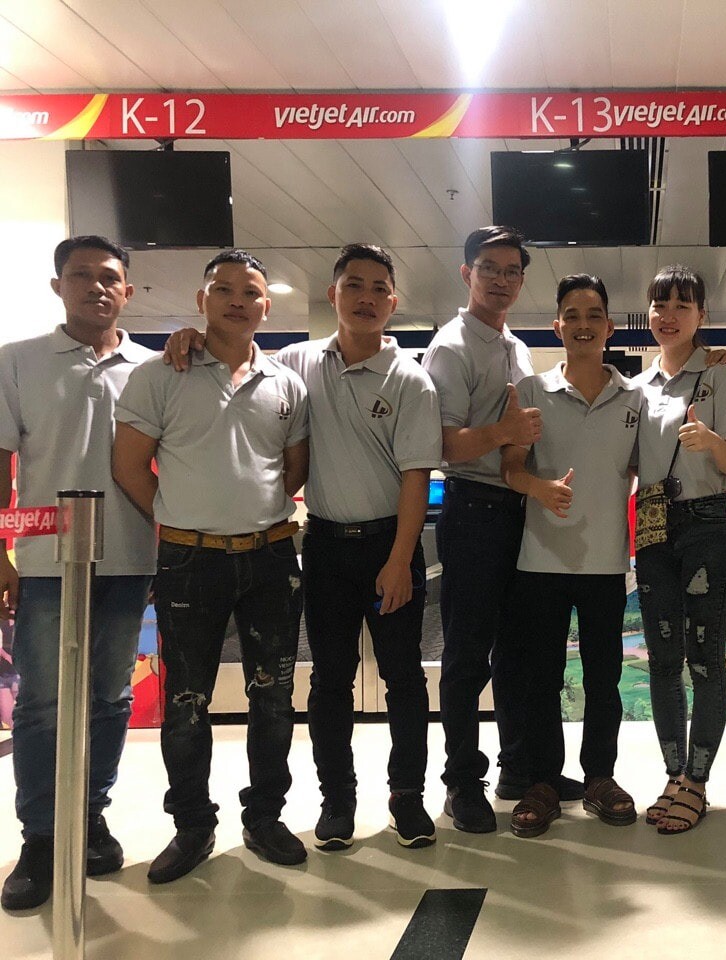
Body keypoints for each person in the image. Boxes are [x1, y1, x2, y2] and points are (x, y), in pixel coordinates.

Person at [161, 243, 442, 852]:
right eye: (353, 285)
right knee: (329, 681)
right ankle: (337, 801)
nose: (366, 297)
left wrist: (400, 559)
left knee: (404, 679)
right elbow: (236, 349)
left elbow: (417, 475)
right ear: (333, 295)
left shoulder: (411, 379)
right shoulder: (297, 362)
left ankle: (407, 797)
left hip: (390, 545)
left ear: (393, 302)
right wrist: (191, 338)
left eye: (379, 288)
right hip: (325, 548)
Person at [113, 250, 310, 883]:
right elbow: (128, 465)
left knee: (272, 697)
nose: (236, 301)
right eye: (223, 290)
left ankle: (265, 817)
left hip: (271, 556)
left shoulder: (287, 384)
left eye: (249, 292)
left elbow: (293, 470)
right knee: (187, 700)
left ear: (265, 307)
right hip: (190, 561)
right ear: (202, 300)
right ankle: (193, 826)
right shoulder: (161, 374)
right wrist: (179, 518)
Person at [0, 236, 156, 911]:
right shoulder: (17, 362)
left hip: (129, 556)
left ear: (128, 291)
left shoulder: (152, 368)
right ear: (58, 286)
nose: (97, 287)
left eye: (110, 277)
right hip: (45, 563)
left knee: (110, 697)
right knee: (41, 701)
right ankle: (40, 837)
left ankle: (90, 815)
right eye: (82, 276)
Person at [422, 226, 581, 834]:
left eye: (513, 270)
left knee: (519, 652)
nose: (501, 280)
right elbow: (441, 444)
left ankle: (519, 769)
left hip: (517, 510)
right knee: (466, 656)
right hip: (473, 511)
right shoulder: (452, 346)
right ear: (467, 273)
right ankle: (463, 783)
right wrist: (503, 434)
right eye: (489, 268)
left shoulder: (515, 346)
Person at [499, 275, 643, 837]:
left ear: (610, 327)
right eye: (572, 315)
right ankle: (542, 781)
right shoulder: (530, 390)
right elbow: (510, 468)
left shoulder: (634, 397)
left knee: (605, 679)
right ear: (557, 325)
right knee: (542, 679)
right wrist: (538, 488)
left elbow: (644, 465)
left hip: (606, 563)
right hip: (540, 562)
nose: (583, 325)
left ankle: (600, 777)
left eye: (594, 315)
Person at [632, 265, 726, 835]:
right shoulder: (638, 386)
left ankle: (697, 782)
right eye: (660, 304)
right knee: (661, 659)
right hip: (654, 525)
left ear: (702, 315)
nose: (669, 315)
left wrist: (711, 441)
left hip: (708, 522)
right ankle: (674, 775)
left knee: (704, 659)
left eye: (682, 304)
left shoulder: (719, 377)